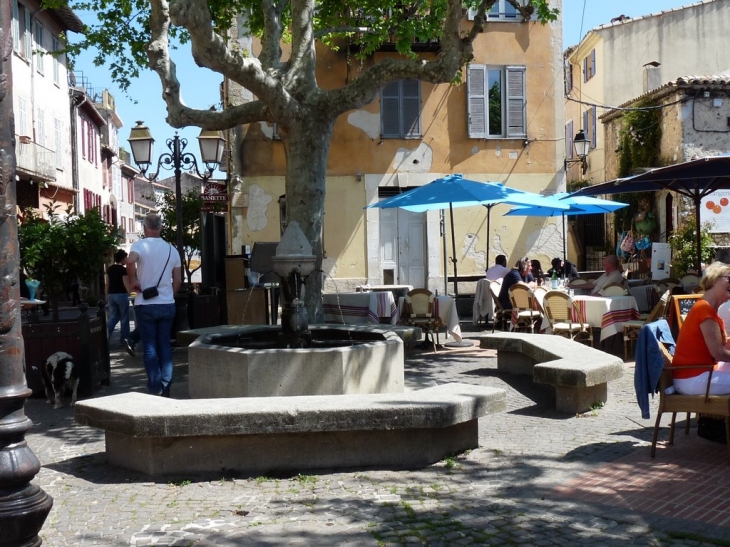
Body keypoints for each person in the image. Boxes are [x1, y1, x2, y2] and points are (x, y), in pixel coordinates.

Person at [126, 213, 181, 396]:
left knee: (149, 346)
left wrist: (134, 281)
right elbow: (178, 280)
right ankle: (165, 386)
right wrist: (169, 295)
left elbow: (130, 260)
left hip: (145, 304)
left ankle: (155, 387)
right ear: (161, 227)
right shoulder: (172, 250)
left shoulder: (140, 245)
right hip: (167, 304)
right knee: (164, 345)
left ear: (144, 228)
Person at [671, 261, 730, 395]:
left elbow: (719, 346)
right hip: (692, 377)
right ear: (714, 280)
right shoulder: (704, 310)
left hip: (698, 373)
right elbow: (718, 353)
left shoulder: (707, 308)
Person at [106, 249, 132, 346]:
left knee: (113, 317)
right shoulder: (123, 270)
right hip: (121, 294)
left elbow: (107, 284)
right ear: (122, 259)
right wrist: (131, 293)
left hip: (111, 295)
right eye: (126, 258)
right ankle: (124, 338)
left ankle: (106, 335)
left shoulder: (109, 269)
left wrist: (106, 295)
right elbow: (125, 283)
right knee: (124, 317)